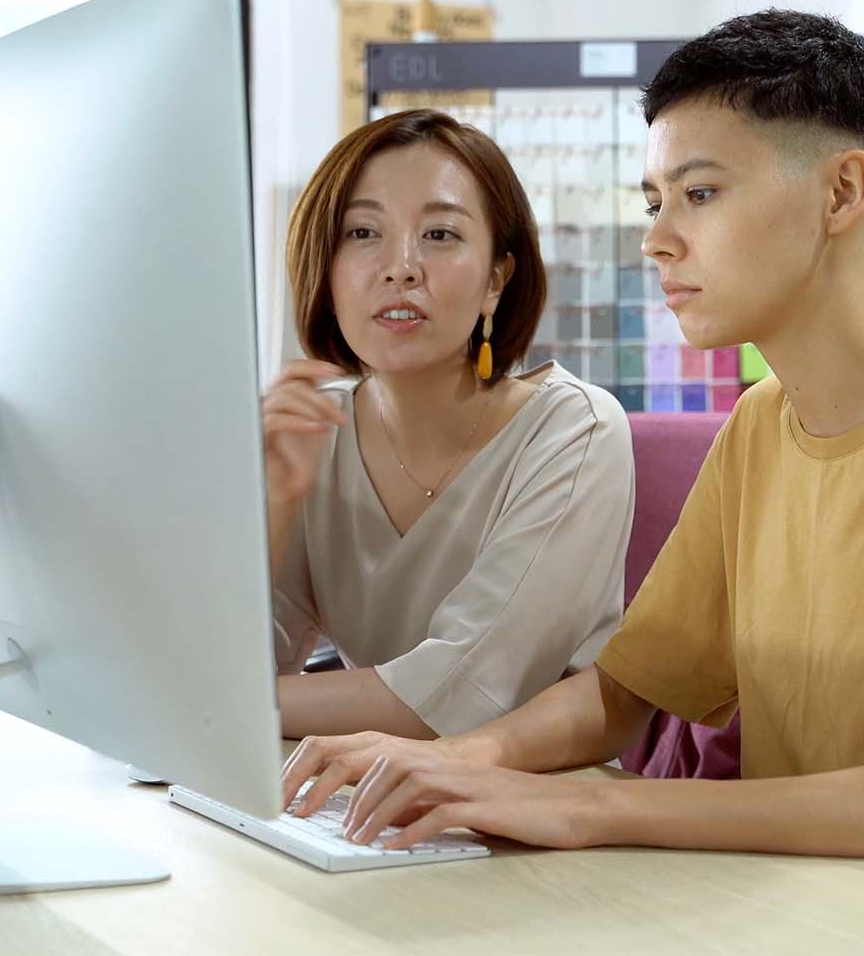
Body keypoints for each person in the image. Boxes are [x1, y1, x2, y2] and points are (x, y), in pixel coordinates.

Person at [278, 13, 864, 934]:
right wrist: (460, 762)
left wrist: (593, 806)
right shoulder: (758, 427)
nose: (658, 240)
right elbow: (622, 694)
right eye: (654, 203)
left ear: (842, 192)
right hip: (830, 919)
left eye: (700, 194)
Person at [264, 108, 634, 741]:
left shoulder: (577, 430)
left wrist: (240, 708)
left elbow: (463, 692)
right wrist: (271, 503)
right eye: (362, 232)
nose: (401, 267)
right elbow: (222, 671)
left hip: (536, 796)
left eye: (439, 234)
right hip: (355, 787)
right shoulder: (310, 430)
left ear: (496, 279)